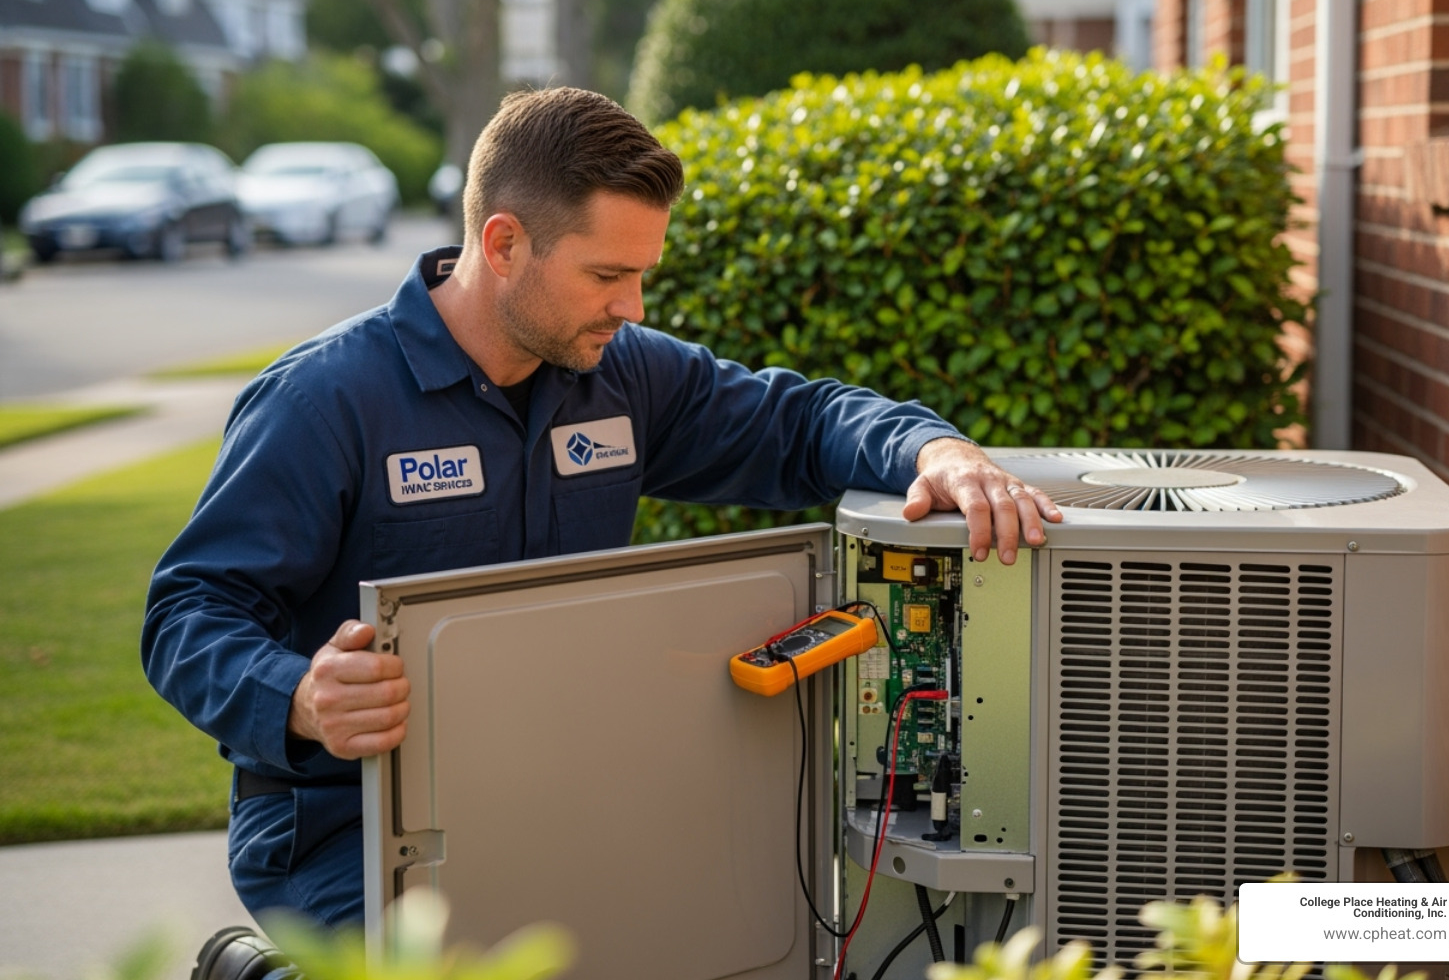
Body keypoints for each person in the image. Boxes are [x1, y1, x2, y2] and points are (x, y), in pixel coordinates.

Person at [142, 86, 1062, 951]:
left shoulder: (622, 375)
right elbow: (186, 613)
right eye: (608, 275)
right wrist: (300, 697)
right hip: (345, 823)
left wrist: (936, 452)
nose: (634, 306)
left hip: (559, 798)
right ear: (503, 245)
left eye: (643, 275)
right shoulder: (324, 401)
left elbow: (801, 422)